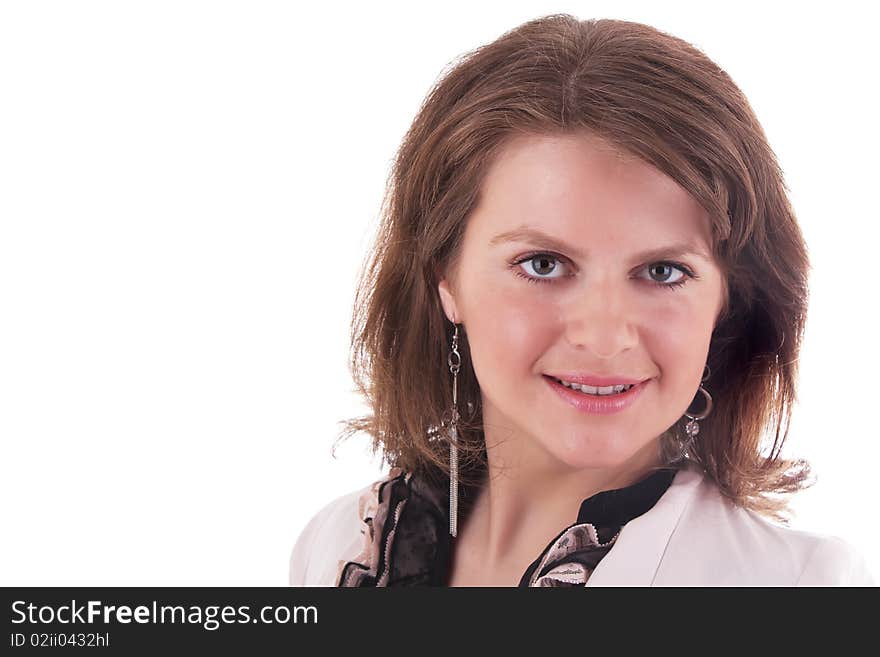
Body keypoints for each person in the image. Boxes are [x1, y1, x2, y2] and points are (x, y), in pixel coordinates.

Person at [289, 14, 875, 587]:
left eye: (663, 271)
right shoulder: (334, 547)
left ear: (729, 300)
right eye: (543, 266)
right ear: (446, 277)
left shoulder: (799, 583)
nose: (604, 336)